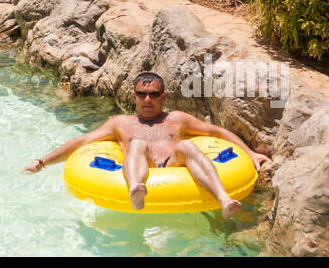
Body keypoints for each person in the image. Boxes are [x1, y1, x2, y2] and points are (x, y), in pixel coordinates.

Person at [23, 71, 269, 218]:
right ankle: (136, 189)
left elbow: (217, 132)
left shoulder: (177, 120)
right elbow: (82, 141)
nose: (147, 99)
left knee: (187, 147)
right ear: (134, 97)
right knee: (138, 143)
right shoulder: (121, 123)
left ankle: (224, 200)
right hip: (140, 168)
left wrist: (250, 153)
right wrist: (44, 162)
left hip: (174, 166)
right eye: (141, 94)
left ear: (163, 97)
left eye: (153, 94)